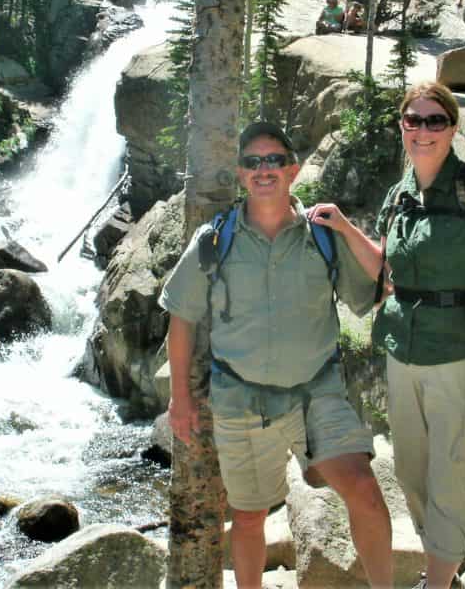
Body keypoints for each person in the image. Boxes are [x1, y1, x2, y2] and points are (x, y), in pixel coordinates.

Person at [307, 83, 465, 589]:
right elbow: (387, 274)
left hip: (461, 353)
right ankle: (446, 573)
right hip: (401, 350)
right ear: (402, 126)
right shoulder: (400, 192)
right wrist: (345, 227)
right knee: (411, 472)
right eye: (415, 120)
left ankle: (437, 582)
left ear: (453, 127)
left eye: (436, 120)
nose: (424, 130)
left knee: (451, 476)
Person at [160, 121, 394, 589]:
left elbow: (378, 289)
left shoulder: (323, 236)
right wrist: (179, 399)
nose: (264, 169)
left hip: (317, 393)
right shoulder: (213, 240)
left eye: (274, 160)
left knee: (366, 494)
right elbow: (181, 318)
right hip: (241, 400)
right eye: (253, 162)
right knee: (248, 519)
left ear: (293, 169)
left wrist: (348, 229)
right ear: (241, 174)